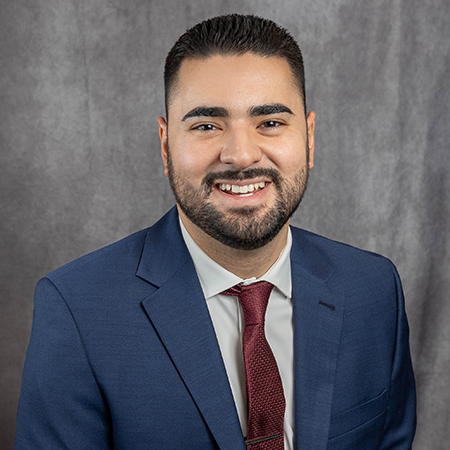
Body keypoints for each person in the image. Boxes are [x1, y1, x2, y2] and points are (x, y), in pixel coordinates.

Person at [15, 14, 416, 450]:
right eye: (207, 126)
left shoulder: (374, 289)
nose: (241, 155)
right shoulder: (76, 310)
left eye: (270, 122)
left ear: (309, 138)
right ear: (165, 146)